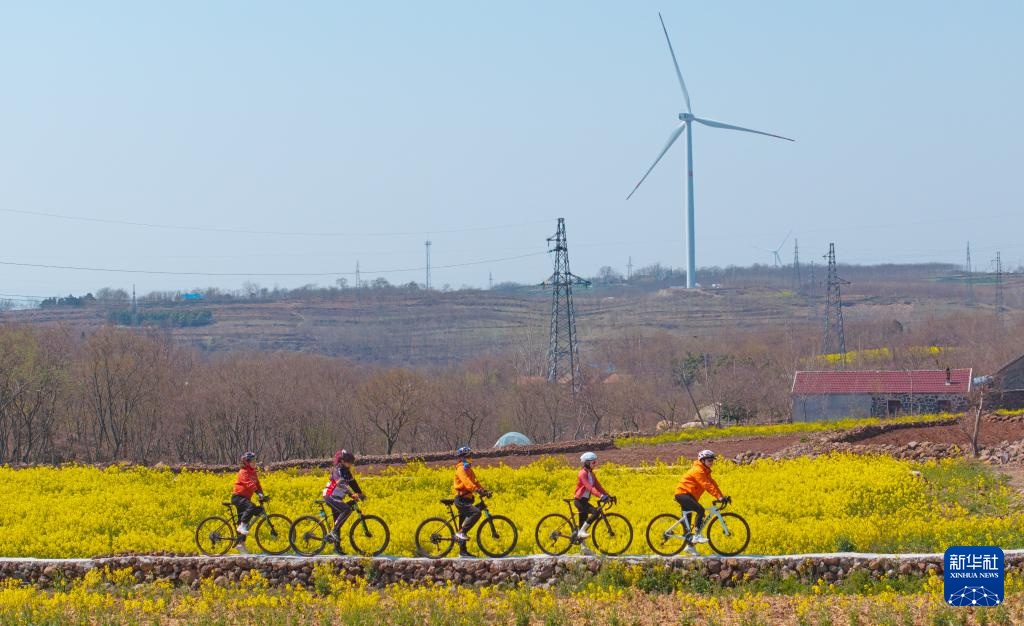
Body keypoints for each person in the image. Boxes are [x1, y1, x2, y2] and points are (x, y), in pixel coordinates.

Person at [675, 449, 728, 556]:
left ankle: (690, 546)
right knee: (700, 510)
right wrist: (718, 497)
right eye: (709, 460)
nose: (711, 463)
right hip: (683, 494)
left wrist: (721, 496)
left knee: (687, 525)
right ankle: (697, 535)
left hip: (688, 495)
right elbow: (706, 485)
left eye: (712, 460)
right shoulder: (698, 470)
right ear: (702, 460)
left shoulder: (705, 471)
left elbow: (713, 484)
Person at [452, 446, 491, 558]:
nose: (470, 458)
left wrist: (483, 491)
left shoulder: (468, 468)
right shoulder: (461, 469)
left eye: (470, 456)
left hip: (467, 499)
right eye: (468, 456)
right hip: (461, 500)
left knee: (463, 524)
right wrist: (475, 489)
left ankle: (463, 552)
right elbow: (467, 482)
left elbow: (475, 482)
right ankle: (461, 533)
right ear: (463, 457)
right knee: (476, 513)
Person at [323, 449, 366, 546]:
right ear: (342, 461)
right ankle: (333, 532)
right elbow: (340, 483)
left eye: (351, 462)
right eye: (349, 462)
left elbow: (353, 483)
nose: (351, 464)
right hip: (330, 496)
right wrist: (351, 494)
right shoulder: (337, 470)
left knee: (338, 521)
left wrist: (360, 493)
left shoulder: (347, 472)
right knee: (346, 510)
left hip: (337, 498)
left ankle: (337, 547)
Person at [231, 451, 267, 555]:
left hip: (245, 498)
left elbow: (257, 484)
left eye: (255, 461)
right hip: (237, 497)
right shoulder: (243, 471)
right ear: (247, 462)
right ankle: (241, 526)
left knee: (248, 517)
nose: (255, 463)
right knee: (250, 508)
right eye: (253, 461)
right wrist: (256, 492)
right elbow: (248, 483)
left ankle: (240, 544)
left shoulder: (253, 472)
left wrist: (261, 494)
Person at [574, 451, 612, 539]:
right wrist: (601, 496)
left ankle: (583, 547)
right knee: (596, 512)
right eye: (593, 462)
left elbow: (598, 487)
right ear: (587, 463)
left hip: (584, 501)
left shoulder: (591, 474)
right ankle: (581, 532)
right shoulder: (582, 473)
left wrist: (608, 496)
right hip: (579, 501)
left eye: (595, 462)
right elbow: (589, 487)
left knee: (583, 523)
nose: (595, 464)